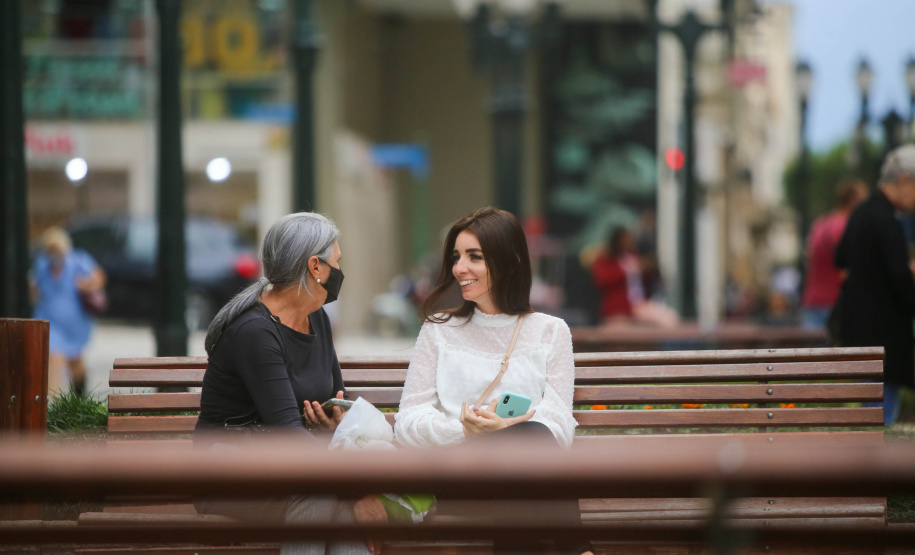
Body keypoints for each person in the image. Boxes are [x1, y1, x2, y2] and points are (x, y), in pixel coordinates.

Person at [394, 206, 592, 555]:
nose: (460, 268)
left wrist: (505, 434)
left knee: (527, 455)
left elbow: (559, 421)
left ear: (512, 261)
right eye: (457, 256)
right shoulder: (439, 330)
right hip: (458, 475)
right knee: (527, 456)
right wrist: (468, 431)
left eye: (475, 256)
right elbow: (408, 422)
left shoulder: (550, 331)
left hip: (525, 477)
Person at [194, 212, 380, 555]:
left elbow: (339, 399)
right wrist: (360, 491)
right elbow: (289, 434)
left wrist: (336, 422)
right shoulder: (255, 332)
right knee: (324, 494)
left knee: (334, 504)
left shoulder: (317, 316)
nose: (341, 271)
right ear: (315, 267)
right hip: (231, 473)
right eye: (337, 262)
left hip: (289, 467)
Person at [834, 146, 915, 426]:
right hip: (885, 339)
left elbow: (840, 257)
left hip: (859, 332)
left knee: (870, 415)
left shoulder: (861, 212)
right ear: (904, 180)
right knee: (881, 423)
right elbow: (900, 281)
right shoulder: (887, 222)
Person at [30, 227, 106, 396]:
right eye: (51, 250)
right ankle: (54, 405)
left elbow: (99, 277)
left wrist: (85, 285)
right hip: (50, 321)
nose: (55, 255)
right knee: (55, 359)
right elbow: (35, 287)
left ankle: (80, 396)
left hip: (75, 323)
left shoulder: (78, 261)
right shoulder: (42, 264)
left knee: (75, 364)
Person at [800, 179, 869, 328]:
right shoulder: (844, 226)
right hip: (834, 305)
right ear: (853, 201)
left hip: (813, 302)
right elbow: (847, 268)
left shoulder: (821, 223)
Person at [590, 227, 678, 327]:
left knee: (669, 318)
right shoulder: (606, 260)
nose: (628, 242)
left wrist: (648, 268)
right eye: (625, 239)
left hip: (638, 306)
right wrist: (627, 271)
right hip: (618, 310)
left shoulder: (635, 257)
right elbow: (602, 280)